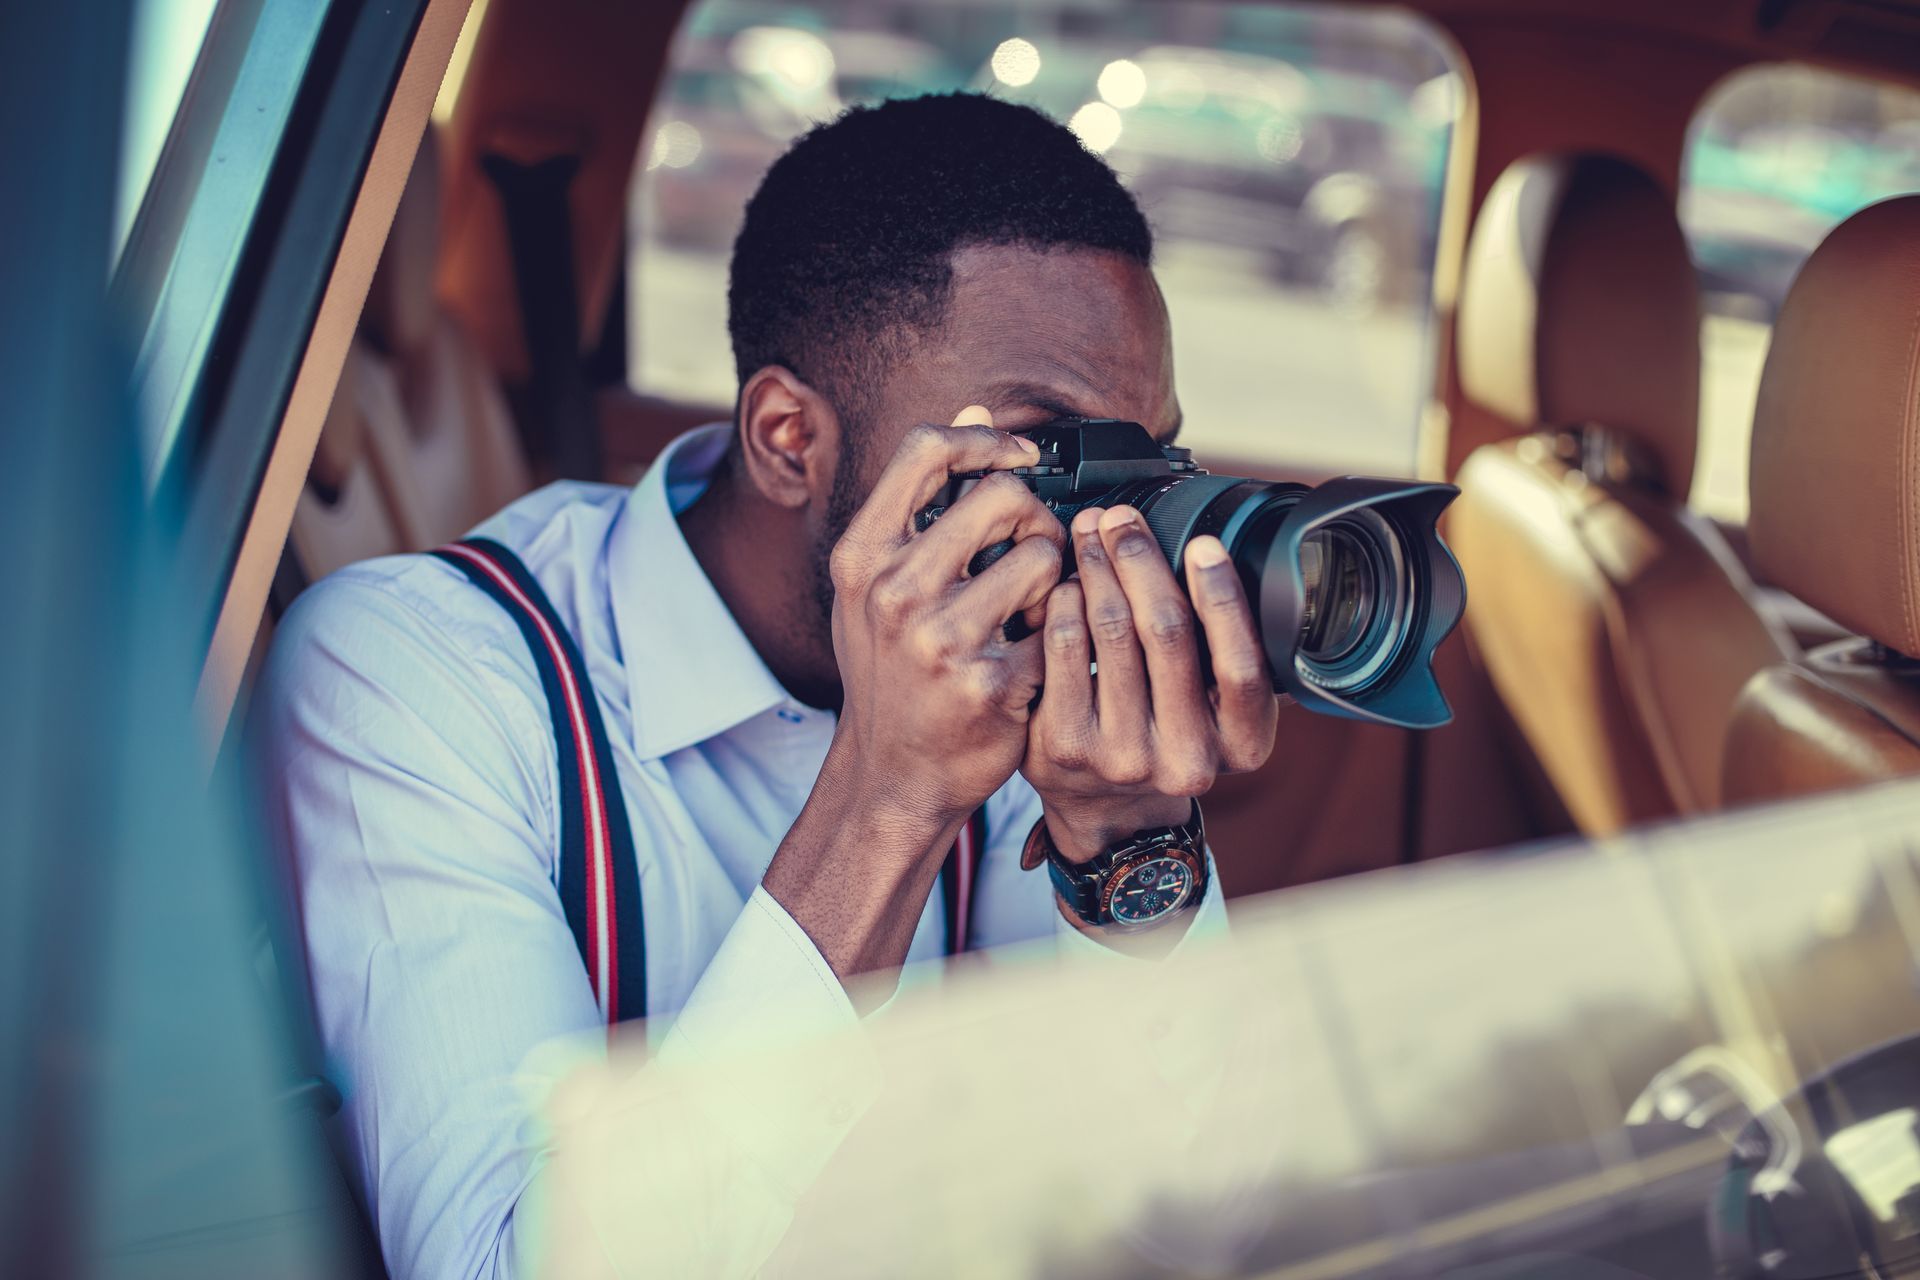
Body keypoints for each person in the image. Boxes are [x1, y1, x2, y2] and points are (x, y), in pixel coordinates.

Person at [258, 93, 1279, 1276]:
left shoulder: (1028, 664)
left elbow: (1188, 1232)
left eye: (1149, 460)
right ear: (790, 438)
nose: (1111, 528)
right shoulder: (415, 676)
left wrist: (1130, 845)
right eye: (1047, 452)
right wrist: (885, 804)